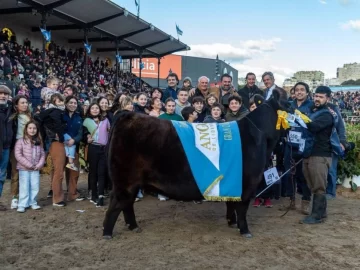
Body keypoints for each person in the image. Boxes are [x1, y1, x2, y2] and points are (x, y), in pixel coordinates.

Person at [301, 86, 334, 224]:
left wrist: (300, 118)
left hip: (320, 154)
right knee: (311, 184)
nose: (317, 99)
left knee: (319, 186)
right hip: (309, 152)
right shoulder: (313, 112)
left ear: (327, 98)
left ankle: (316, 216)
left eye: (321, 97)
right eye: (316, 96)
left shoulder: (326, 114)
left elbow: (313, 127)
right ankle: (322, 212)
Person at [36, 93, 67, 206]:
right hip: (56, 141)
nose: (61, 103)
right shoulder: (56, 112)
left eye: (62, 101)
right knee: (59, 171)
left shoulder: (48, 112)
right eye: (59, 101)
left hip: (50, 141)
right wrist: (62, 137)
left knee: (55, 169)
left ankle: (54, 192)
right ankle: (57, 199)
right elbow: (58, 125)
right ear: (54, 102)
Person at [14, 121, 45, 213]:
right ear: (26, 129)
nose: (32, 130)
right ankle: (22, 204)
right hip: (24, 169)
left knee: (35, 186)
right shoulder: (21, 141)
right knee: (24, 186)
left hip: (35, 169)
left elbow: (42, 154)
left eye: (34, 128)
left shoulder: (39, 141)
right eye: (30, 128)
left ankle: (33, 202)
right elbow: (18, 155)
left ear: (37, 130)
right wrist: (29, 165)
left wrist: (39, 165)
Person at [83, 103, 110, 207]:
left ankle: (101, 196)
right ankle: (93, 195)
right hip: (93, 148)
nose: (95, 110)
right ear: (89, 110)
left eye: (97, 108)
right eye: (92, 108)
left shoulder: (105, 120)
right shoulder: (86, 121)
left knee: (102, 172)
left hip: (103, 149)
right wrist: (87, 138)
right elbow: (84, 134)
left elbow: (109, 132)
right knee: (93, 172)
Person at [9, 95, 32, 210]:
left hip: (29, 146)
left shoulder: (30, 116)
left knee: (27, 172)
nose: (25, 105)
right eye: (22, 103)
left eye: (26, 102)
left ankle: (26, 197)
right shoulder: (12, 117)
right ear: (16, 105)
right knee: (16, 172)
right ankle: (15, 197)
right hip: (17, 146)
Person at [63, 95, 84, 201]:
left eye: (75, 103)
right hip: (61, 145)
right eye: (70, 102)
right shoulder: (61, 115)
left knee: (74, 170)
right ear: (66, 103)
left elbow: (81, 133)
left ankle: (72, 192)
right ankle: (56, 193)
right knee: (59, 170)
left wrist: (74, 140)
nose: (73, 105)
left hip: (74, 146)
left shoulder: (79, 117)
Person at [0, 85, 13, 211]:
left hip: (6, 147)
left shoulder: (10, 110)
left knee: (2, 176)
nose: (3, 96)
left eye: (5, 94)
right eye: (0, 93)